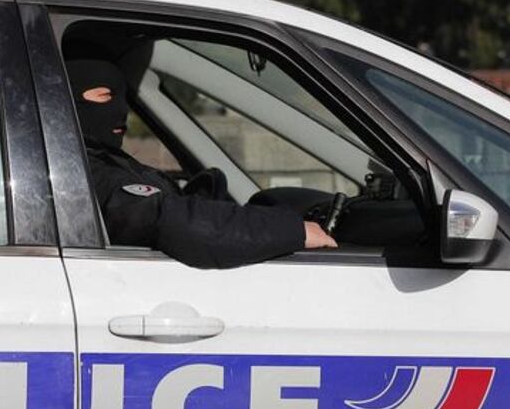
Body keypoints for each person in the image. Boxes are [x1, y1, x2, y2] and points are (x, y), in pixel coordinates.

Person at [66, 59, 337, 268]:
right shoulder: (80, 172)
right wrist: (292, 230)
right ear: (69, 100)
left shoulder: (105, 160)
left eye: (125, 98)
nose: (120, 110)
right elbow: (168, 220)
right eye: (104, 96)